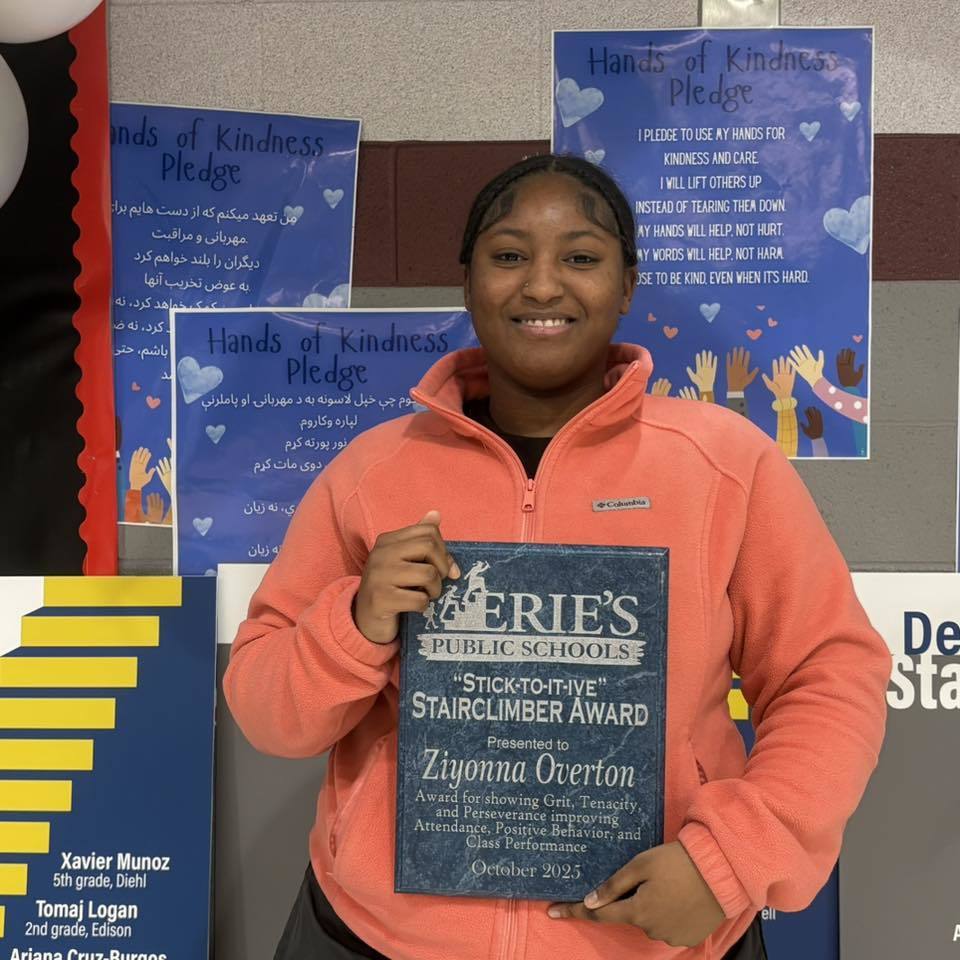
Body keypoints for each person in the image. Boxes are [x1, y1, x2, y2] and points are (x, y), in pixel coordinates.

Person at [223, 154, 891, 960]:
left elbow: (830, 677)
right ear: (467, 282)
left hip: (645, 942)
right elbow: (266, 712)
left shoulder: (723, 467)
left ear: (628, 284)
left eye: (580, 257)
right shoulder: (373, 473)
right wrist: (354, 625)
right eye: (508, 256)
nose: (542, 286)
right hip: (377, 940)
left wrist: (726, 864)